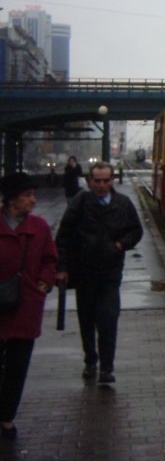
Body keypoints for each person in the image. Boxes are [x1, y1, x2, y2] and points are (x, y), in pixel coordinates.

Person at [55, 162, 143, 384]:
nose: (101, 185)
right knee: (86, 320)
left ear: (112, 180)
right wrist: (62, 268)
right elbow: (63, 236)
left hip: (110, 273)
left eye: (105, 181)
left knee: (108, 319)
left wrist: (120, 245)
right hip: (84, 272)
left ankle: (106, 367)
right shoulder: (80, 202)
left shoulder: (123, 204)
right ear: (90, 181)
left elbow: (136, 230)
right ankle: (90, 360)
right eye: (97, 181)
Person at [0, 172, 58, 439]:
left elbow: (50, 259)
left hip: (25, 306)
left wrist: (45, 283)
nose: (33, 200)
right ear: (11, 199)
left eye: (34, 195)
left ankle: (7, 417)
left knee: (17, 366)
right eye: (27, 195)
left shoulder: (39, 227)